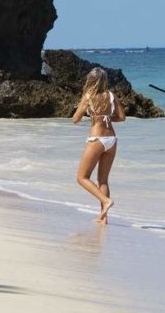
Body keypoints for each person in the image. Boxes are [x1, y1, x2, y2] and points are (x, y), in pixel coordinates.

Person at [72, 67, 126, 224]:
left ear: (91, 80)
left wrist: (91, 116)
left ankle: (106, 201)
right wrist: (106, 118)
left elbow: (75, 119)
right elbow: (122, 117)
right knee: (103, 180)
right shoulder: (111, 95)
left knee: (82, 177)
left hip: (96, 139)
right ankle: (103, 217)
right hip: (112, 140)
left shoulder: (88, 96)